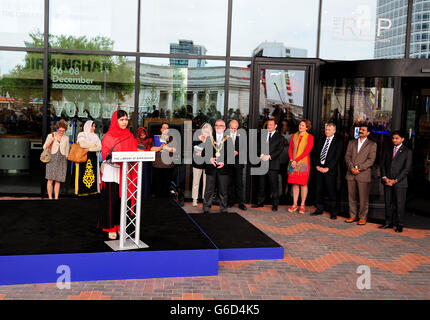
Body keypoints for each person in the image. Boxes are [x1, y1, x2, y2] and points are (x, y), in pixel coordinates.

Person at [99, 110, 139, 240]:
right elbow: (105, 154)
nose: (124, 122)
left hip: (124, 172)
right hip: (112, 172)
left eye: (126, 119)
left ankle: (121, 227)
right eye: (121, 119)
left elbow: (133, 151)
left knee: (122, 202)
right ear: (115, 121)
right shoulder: (108, 136)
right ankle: (111, 228)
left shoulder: (129, 135)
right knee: (111, 202)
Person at [379, 131, 413, 232]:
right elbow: (383, 165)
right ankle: (388, 223)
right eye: (393, 138)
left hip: (400, 183)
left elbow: (406, 169)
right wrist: (385, 178)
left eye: (397, 138)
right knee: (388, 203)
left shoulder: (407, 151)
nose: (394, 140)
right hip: (387, 181)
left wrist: (395, 180)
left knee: (399, 204)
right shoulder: (388, 149)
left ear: (402, 139)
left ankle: (399, 224)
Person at [344, 124, 377, 225]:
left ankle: (362, 217)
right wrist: (351, 168)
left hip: (363, 174)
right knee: (351, 196)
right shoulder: (351, 142)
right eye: (360, 129)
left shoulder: (372, 144)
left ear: (368, 133)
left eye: (363, 130)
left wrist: (359, 168)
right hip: (351, 173)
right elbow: (347, 156)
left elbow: (371, 160)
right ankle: (352, 215)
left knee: (363, 198)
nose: (361, 131)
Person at [311, 123, 344, 219]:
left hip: (330, 171)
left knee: (331, 192)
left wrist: (327, 168)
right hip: (319, 169)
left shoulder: (339, 142)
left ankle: (333, 212)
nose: (327, 131)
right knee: (318, 190)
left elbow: (337, 157)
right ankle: (319, 209)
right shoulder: (321, 140)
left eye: (329, 130)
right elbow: (315, 154)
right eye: (326, 129)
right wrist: (317, 165)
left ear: (334, 131)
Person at [252, 119, 284, 211]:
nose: (269, 126)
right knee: (261, 185)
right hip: (262, 163)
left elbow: (279, 150)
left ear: (275, 126)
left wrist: (269, 156)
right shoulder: (262, 135)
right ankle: (260, 203)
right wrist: (261, 155)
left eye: (271, 125)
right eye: (268, 125)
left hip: (273, 165)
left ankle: (275, 205)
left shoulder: (280, 137)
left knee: (274, 186)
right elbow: (257, 147)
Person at [202, 119, 233, 213]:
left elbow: (231, 156)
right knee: (208, 190)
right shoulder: (209, 138)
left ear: (224, 128)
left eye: (220, 125)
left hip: (223, 169)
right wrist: (209, 159)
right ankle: (206, 208)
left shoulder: (229, 139)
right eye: (216, 125)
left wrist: (224, 162)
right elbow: (204, 153)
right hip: (211, 169)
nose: (218, 127)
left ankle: (223, 208)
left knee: (223, 191)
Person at [287, 119, 314, 214]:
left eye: (303, 125)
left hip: (303, 163)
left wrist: (296, 160)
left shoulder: (310, 137)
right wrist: (291, 159)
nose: (300, 126)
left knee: (303, 184)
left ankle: (302, 204)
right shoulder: (294, 136)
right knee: (294, 183)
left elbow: (307, 151)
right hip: (292, 163)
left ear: (307, 127)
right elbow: (290, 149)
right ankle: (294, 204)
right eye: (300, 125)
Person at [43, 119, 70, 200]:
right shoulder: (50, 136)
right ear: (57, 128)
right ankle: (50, 198)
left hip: (62, 159)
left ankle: (56, 198)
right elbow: (44, 147)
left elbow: (67, 150)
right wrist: (50, 141)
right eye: (60, 130)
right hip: (52, 158)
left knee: (58, 180)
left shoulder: (66, 138)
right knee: (50, 179)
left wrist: (66, 158)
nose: (61, 132)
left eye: (63, 130)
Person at [75, 120, 102, 196]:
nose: (93, 128)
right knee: (82, 174)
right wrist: (93, 145)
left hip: (93, 158)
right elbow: (82, 144)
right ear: (87, 126)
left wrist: (89, 149)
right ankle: (82, 192)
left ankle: (92, 191)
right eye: (92, 126)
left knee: (92, 174)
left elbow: (100, 147)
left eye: (94, 126)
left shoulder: (95, 136)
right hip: (82, 158)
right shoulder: (82, 134)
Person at [150, 122, 177, 198]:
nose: (165, 129)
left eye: (167, 128)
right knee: (157, 186)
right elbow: (151, 149)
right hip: (157, 165)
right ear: (161, 129)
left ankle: (165, 203)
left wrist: (166, 148)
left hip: (168, 166)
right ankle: (158, 203)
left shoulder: (172, 139)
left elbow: (174, 150)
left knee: (166, 186)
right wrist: (160, 148)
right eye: (163, 128)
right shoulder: (156, 138)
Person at [227, 120, 247, 211]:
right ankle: (230, 202)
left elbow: (245, 148)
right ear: (229, 127)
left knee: (239, 184)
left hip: (238, 163)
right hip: (229, 163)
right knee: (230, 183)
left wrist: (237, 151)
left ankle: (241, 203)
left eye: (235, 128)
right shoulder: (225, 135)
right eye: (232, 128)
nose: (234, 130)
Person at [192, 123, 212, 207]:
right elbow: (196, 150)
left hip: (207, 164)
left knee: (206, 183)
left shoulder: (211, 139)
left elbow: (211, 151)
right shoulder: (197, 137)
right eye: (204, 131)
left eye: (207, 132)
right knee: (196, 182)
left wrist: (204, 143)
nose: (205, 133)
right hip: (197, 163)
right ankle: (194, 199)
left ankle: (205, 200)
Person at [137, 127, 152, 200]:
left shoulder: (149, 140)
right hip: (137, 161)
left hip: (146, 162)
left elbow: (148, 150)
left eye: (144, 134)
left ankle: (145, 195)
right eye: (141, 135)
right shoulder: (135, 140)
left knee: (145, 178)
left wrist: (142, 151)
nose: (143, 136)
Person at [279, 120, 292, 202]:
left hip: (289, 160)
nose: (283, 127)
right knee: (282, 178)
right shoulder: (279, 134)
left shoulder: (292, 136)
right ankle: (282, 193)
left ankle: (287, 194)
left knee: (288, 177)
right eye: (283, 125)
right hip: (279, 159)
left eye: (285, 125)